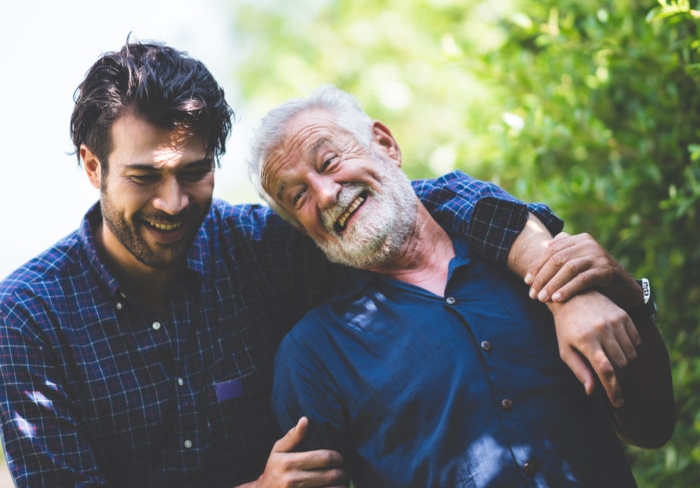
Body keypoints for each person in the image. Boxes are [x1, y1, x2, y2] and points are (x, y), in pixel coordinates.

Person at [0, 41, 620, 487]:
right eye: (143, 177)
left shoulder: (257, 249)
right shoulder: (28, 317)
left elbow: (408, 203)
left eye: (193, 174)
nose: (172, 202)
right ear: (92, 167)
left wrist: (559, 276)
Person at [251, 85, 676, 486]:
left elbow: (651, 427)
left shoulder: (533, 259)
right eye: (298, 197)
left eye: (328, 162)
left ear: (385, 144)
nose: (325, 195)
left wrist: (627, 294)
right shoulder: (312, 355)